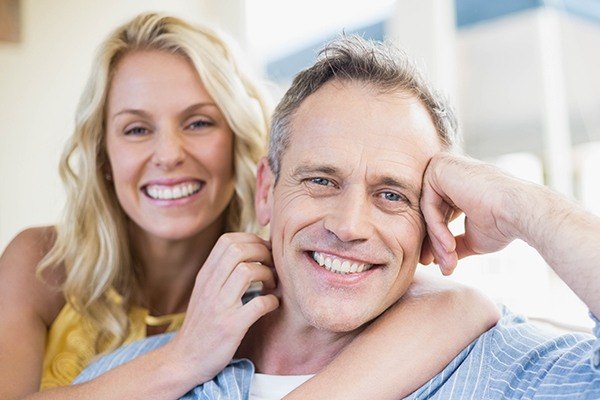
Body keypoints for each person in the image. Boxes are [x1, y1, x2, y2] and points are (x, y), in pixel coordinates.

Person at [0, 13, 499, 400]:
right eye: (136, 129)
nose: (169, 154)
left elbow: (447, 304)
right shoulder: (40, 262)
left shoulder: (291, 262)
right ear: (104, 152)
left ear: (240, 140)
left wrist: (468, 300)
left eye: (198, 123)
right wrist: (182, 359)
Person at [76, 35, 600, 399]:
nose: (349, 226)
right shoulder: (126, 378)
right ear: (266, 189)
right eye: (321, 180)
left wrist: (530, 208)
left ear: (434, 218)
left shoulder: (506, 370)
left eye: (392, 195)